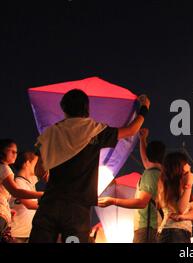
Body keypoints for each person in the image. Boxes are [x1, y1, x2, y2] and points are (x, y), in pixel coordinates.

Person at [29, 89, 150, 243]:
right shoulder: (95, 130)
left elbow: (38, 170)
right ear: (87, 108)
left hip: (50, 205)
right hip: (77, 211)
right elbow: (131, 130)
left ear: (64, 108)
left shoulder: (49, 133)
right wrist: (144, 108)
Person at [98, 128, 166, 243]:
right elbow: (146, 160)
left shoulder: (150, 174)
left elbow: (141, 202)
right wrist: (143, 140)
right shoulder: (159, 173)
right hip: (153, 227)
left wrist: (113, 201)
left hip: (146, 227)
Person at [0, 139, 43, 242]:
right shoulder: (6, 170)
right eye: (12, 151)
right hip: (16, 231)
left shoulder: (28, 183)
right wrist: (43, 195)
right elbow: (17, 192)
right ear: (27, 163)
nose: (15, 154)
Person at [157, 152, 193, 243]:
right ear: (178, 167)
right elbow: (181, 209)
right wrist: (189, 185)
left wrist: (183, 217)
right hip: (173, 232)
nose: (189, 165)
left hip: (181, 232)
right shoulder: (167, 184)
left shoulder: (183, 185)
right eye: (186, 163)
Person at [10, 152, 48, 243]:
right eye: (35, 163)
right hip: (17, 234)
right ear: (27, 163)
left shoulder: (29, 182)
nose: (36, 166)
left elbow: (44, 175)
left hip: (26, 233)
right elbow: (29, 204)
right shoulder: (18, 182)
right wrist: (49, 206)